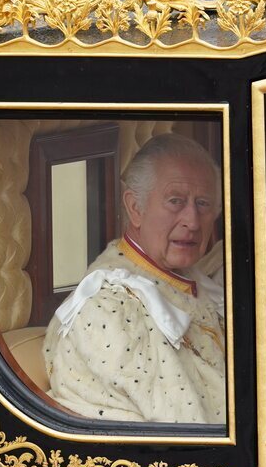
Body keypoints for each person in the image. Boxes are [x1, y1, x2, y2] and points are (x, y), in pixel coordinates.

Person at [43, 133, 226, 424]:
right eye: (175, 201)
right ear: (135, 208)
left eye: (203, 204)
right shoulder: (109, 312)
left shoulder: (195, 281)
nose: (192, 221)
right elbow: (184, 433)